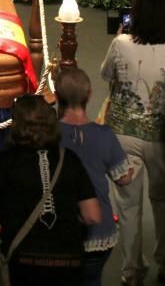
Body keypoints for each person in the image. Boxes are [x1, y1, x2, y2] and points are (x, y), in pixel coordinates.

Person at [99, 0, 165, 285]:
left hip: (123, 133)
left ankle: (132, 270)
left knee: (127, 205)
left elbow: (105, 75)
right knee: (163, 201)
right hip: (164, 135)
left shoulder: (122, 43)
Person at [0, 94, 100, 286]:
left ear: (16, 124)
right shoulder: (69, 159)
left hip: (25, 262)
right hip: (68, 260)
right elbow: (92, 215)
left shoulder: (8, 160)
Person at [56, 67, 134, 286]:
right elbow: (123, 178)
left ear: (57, 96)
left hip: (59, 229)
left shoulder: (48, 134)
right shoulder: (104, 135)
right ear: (89, 94)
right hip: (98, 231)